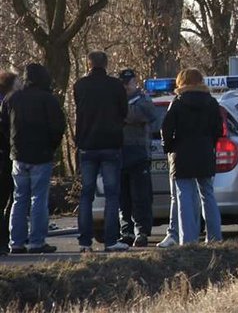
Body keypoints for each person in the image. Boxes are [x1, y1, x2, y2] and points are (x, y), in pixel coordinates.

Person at [1, 64, 65, 254]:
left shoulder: (12, 99)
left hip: (18, 156)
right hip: (41, 155)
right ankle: (37, 241)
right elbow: (58, 127)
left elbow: (3, 125)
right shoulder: (48, 100)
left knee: (19, 199)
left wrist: (13, 144)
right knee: (38, 199)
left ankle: (16, 242)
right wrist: (50, 147)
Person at [75, 51, 129, 252]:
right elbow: (124, 112)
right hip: (110, 144)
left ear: (88, 64)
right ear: (106, 64)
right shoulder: (115, 86)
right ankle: (111, 240)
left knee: (86, 194)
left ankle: (85, 242)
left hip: (87, 144)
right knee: (112, 193)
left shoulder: (80, 85)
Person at [162, 68, 223, 245]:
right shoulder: (211, 103)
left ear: (181, 82)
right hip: (205, 152)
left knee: (184, 197)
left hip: (182, 155)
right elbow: (218, 130)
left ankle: (187, 240)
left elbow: (166, 128)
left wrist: (169, 147)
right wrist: (209, 143)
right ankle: (214, 237)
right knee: (208, 195)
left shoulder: (178, 102)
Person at [117, 69, 157, 248]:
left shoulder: (144, 99)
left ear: (135, 82)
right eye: (123, 82)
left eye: (129, 82)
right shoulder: (116, 100)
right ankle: (126, 232)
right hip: (119, 153)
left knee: (141, 197)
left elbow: (138, 115)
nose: (126, 86)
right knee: (123, 198)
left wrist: (121, 112)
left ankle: (141, 232)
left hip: (139, 154)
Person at [0, 72, 17, 255]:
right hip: (7, 156)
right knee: (10, 198)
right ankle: (5, 238)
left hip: (6, 154)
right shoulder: (9, 102)